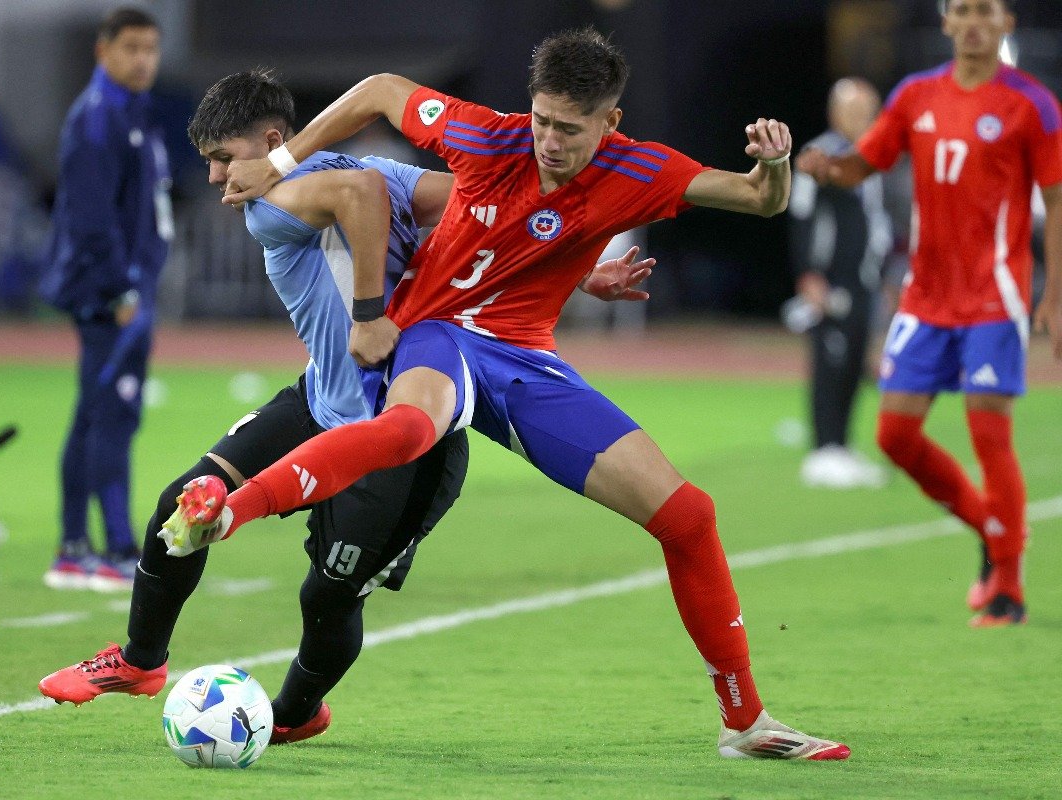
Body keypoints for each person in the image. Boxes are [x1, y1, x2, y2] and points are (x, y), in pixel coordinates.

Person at [169, 29, 851, 760]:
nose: (549, 140)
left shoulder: (640, 171)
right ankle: (226, 511)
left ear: (609, 123)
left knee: (688, 516)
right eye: (542, 119)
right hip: (438, 334)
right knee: (406, 431)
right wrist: (280, 160)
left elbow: (758, 198)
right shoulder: (490, 138)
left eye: (569, 127)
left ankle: (746, 722)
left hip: (524, 358)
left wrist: (775, 166)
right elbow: (375, 89)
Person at [38, 68, 649, 743]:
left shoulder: (283, 197)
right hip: (321, 401)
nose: (215, 178)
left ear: (273, 142)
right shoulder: (366, 171)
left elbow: (368, 197)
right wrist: (582, 272)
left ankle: (296, 714)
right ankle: (139, 660)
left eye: (223, 158)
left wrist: (367, 315)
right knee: (182, 501)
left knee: (326, 597)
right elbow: (487, 216)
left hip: (407, 439)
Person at [798, 0, 1062, 626]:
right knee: (894, 435)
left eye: (985, 11)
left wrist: (1055, 294)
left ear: (1007, 24)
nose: (972, 21)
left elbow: (1056, 199)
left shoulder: (1033, 104)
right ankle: (996, 534)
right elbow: (864, 163)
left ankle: (1009, 589)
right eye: (961, 10)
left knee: (988, 434)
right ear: (945, 23)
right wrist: (822, 168)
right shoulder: (915, 95)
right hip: (925, 296)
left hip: (994, 296)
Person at [38, 7, 172, 591]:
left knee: (99, 412)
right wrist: (121, 288)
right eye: (132, 47)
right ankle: (113, 547)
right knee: (110, 413)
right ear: (104, 50)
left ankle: (76, 545)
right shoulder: (98, 117)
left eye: (151, 48)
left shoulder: (131, 112)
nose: (143, 59)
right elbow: (91, 216)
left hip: (125, 289)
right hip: (108, 293)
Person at [788, 78, 891, 489]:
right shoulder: (820, 155)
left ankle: (842, 446)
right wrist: (808, 273)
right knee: (830, 359)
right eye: (854, 111)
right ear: (835, 113)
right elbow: (802, 215)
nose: (863, 119)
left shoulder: (870, 158)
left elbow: (875, 223)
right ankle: (823, 449)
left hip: (864, 279)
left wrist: (881, 276)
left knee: (855, 363)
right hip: (831, 279)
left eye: (869, 111)